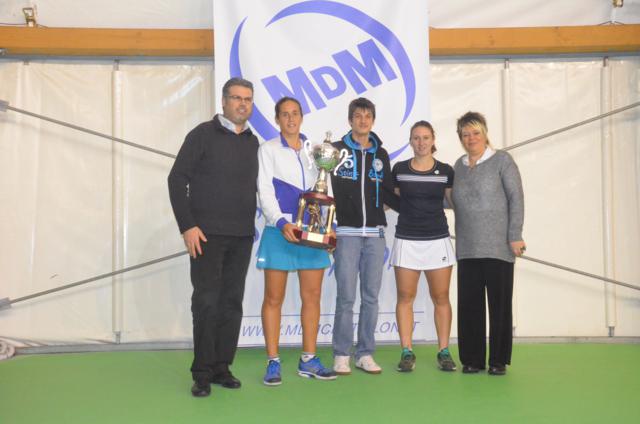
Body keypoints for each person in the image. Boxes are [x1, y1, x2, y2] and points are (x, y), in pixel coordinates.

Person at [167, 77, 259, 397]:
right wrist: (188, 226)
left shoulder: (253, 142)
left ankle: (222, 367)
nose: (242, 104)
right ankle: (202, 372)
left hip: (242, 236)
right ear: (223, 101)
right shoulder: (202, 135)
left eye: (247, 99)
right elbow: (176, 179)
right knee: (206, 302)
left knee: (231, 303)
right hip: (205, 236)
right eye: (236, 98)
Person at [256, 97, 336, 385]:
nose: (290, 119)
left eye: (295, 114)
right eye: (284, 114)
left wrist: (330, 227)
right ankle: (273, 361)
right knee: (273, 298)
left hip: (312, 233)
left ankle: (309, 359)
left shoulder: (315, 152)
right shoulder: (267, 149)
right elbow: (264, 190)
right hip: (280, 231)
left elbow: (324, 189)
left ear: (302, 117)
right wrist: (281, 222)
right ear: (277, 119)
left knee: (312, 297)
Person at [452, 111, 526, 376]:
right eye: (465, 134)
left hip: (499, 247)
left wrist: (515, 235)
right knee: (469, 307)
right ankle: (472, 359)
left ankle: (498, 360)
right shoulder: (458, 166)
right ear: (460, 138)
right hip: (467, 248)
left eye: (476, 133)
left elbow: (516, 198)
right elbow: (452, 200)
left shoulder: (502, 160)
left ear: (484, 134)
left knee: (499, 307)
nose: (471, 138)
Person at [330, 97, 399, 375]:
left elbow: (389, 192)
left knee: (371, 297)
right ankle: (341, 354)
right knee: (346, 297)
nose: (363, 120)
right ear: (350, 120)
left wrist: (379, 208)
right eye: (358, 116)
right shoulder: (336, 150)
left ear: (373, 120)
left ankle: (365, 353)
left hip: (375, 235)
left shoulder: (381, 154)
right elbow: (325, 190)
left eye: (367, 116)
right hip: (345, 234)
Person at [390, 121, 457, 372]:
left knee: (441, 297)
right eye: (416, 138)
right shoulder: (399, 169)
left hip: (437, 240)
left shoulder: (446, 171)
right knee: (405, 297)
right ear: (410, 141)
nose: (421, 142)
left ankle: (444, 351)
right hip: (407, 239)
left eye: (425, 137)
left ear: (433, 140)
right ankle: (407, 351)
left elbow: (455, 202)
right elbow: (389, 201)